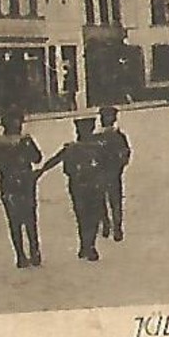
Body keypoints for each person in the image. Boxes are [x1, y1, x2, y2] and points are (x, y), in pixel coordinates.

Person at [0, 110, 43, 268]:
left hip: (9, 182)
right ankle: (33, 251)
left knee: (15, 220)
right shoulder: (25, 140)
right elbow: (37, 158)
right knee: (29, 218)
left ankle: (21, 255)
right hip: (24, 181)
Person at [39, 117, 108, 261]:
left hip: (78, 185)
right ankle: (89, 245)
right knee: (92, 216)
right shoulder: (98, 147)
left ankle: (86, 245)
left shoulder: (73, 148)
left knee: (82, 216)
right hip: (92, 185)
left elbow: (54, 161)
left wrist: (39, 172)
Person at [94, 105, 132, 242]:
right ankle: (110, 225)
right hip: (107, 173)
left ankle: (114, 226)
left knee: (110, 201)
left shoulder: (112, 137)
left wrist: (119, 166)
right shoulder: (100, 137)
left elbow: (125, 154)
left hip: (110, 173)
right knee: (109, 201)